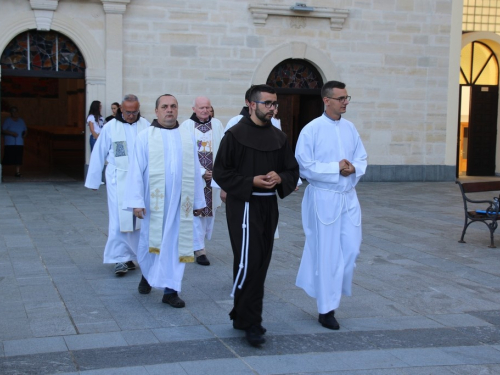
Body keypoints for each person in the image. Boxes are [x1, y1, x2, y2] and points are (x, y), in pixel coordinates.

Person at [213, 84, 299, 347]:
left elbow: (292, 170)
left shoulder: (279, 137)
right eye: (267, 103)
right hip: (244, 207)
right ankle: (253, 322)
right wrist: (251, 182)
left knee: (260, 261)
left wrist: (279, 177)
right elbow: (221, 172)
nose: (272, 108)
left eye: (275, 103)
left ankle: (241, 315)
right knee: (249, 262)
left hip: (268, 207)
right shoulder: (235, 135)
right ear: (251, 104)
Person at [294, 80, 367, 331]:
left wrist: (353, 167)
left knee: (351, 250)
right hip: (323, 197)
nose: (346, 102)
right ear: (327, 100)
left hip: (348, 196)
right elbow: (305, 165)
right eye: (341, 98)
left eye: (347, 98)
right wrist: (335, 168)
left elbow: (361, 156)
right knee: (327, 254)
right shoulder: (311, 130)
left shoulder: (350, 128)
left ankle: (332, 293)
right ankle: (326, 309)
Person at [123, 94, 206, 308]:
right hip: (154, 204)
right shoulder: (145, 136)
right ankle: (148, 275)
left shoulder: (187, 136)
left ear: (178, 110)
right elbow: (135, 171)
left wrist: (198, 202)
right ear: (156, 111)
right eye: (164, 107)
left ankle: (171, 291)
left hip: (181, 205)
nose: (169, 110)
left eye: (173, 106)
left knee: (177, 246)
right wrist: (136, 201)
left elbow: (196, 171)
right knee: (151, 245)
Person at [84, 94, 150, 276]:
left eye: (134, 111)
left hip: (140, 180)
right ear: (121, 109)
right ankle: (119, 259)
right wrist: (94, 180)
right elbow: (99, 152)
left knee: (138, 220)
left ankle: (132, 256)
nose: (131, 115)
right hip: (118, 178)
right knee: (118, 219)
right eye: (128, 112)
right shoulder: (110, 127)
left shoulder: (145, 125)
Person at [180, 96, 225, 266]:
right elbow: (184, 152)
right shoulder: (186, 126)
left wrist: (217, 173)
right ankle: (199, 250)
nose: (205, 110)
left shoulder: (218, 125)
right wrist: (200, 171)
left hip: (214, 179)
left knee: (209, 213)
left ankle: (198, 244)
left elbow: (223, 149)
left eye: (207, 107)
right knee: (196, 212)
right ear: (194, 109)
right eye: (201, 108)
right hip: (194, 179)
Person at [1, 107, 27, 177]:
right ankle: (1, 170)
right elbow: (3, 130)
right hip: (10, 142)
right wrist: (11, 133)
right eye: (13, 112)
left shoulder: (21, 121)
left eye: (16, 111)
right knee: (7, 157)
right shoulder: (7, 120)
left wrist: (24, 134)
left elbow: (25, 130)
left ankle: (17, 172)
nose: (15, 113)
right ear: (11, 113)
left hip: (19, 142)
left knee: (18, 158)